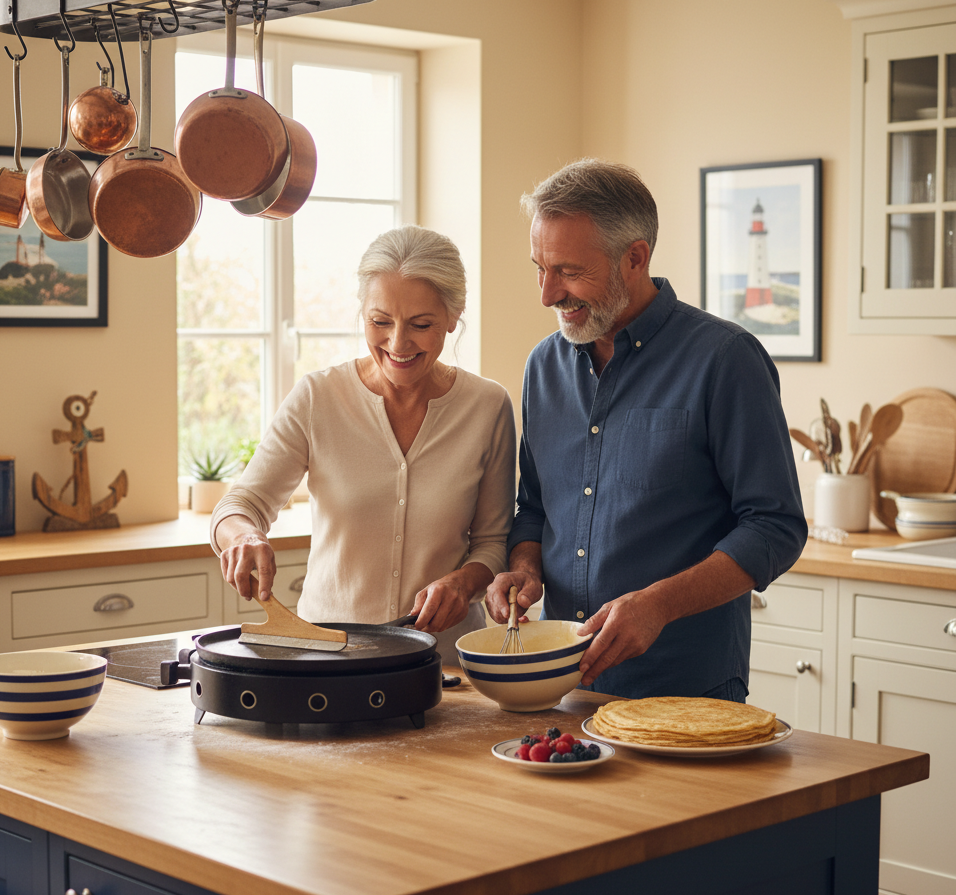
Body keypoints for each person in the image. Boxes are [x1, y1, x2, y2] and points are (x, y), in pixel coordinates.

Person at [484, 159, 806, 701]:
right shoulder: (543, 366)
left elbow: (775, 527)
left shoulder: (726, 360)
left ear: (635, 258)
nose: (547, 294)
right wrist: (523, 567)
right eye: (539, 268)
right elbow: (535, 508)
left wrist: (658, 605)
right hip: (563, 686)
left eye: (568, 271)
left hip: (686, 692)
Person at [211, 225, 516, 666]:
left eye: (421, 325)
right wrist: (243, 536)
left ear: (454, 316)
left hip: (443, 665)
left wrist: (463, 583)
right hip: (327, 657)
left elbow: (493, 542)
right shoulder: (317, 397)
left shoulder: (487, 406)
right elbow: (240, 505)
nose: (397, 343)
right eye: (380, 322)